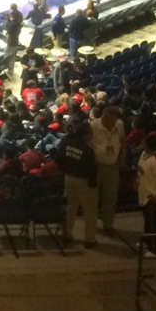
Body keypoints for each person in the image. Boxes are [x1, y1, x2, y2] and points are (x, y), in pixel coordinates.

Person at [59, 118, 99, 248]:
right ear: (86, 134)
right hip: (84, 181)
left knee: (70, 208)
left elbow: (58, 159)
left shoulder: (66, 141)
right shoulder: (87, 149)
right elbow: (91, 168)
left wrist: (65, 170)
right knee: (90, 211)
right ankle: (89, 239)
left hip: (69, 178)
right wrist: (93, 182)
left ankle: (67, 234)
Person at [91, 104, 125, 238]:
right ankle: (92, 224)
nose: (114, 123)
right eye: (112, 120)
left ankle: (108, 225)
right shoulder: (93, 125)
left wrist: (123, 160)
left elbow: (123, 141)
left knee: (110, 197)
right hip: (97, 165)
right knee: (93, 197)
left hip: (113, 165)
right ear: (105, 117)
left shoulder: (119, 124)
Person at [136, 134, 156, 255]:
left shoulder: (155, 161)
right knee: (147, 221)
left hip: (151, 196)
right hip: (143, 192)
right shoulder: (144, 155)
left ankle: (155, 249)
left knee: (153, 223)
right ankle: (147, 241)